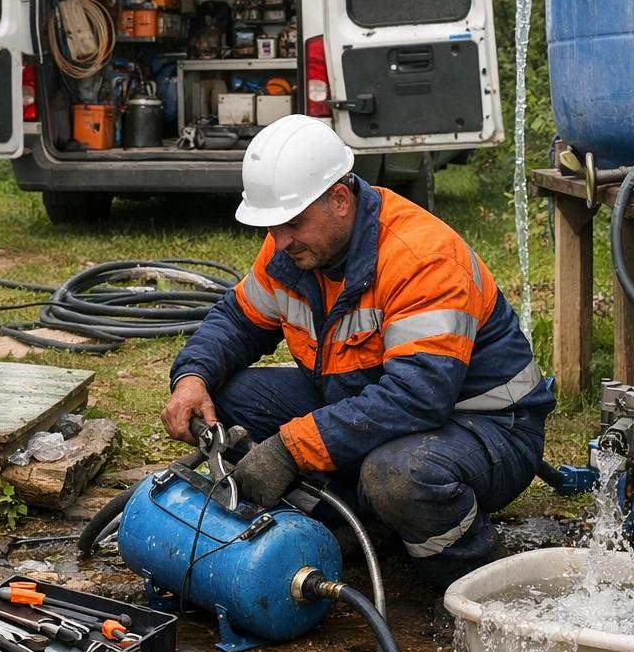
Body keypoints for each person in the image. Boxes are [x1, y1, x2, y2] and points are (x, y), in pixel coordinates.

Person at [160, 115, 553, 585]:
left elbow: (417, 396)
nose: (280, 241)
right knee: (229, 398)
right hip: (366, 400)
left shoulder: (420, 259)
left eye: (292, 224)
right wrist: (192, 378)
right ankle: (356, 524)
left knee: (397, 475)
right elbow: (237, 321)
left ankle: (471, 581)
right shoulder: (293, 251)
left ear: (340, 201)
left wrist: (290, 449)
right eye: (273, 226)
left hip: (488, 428)